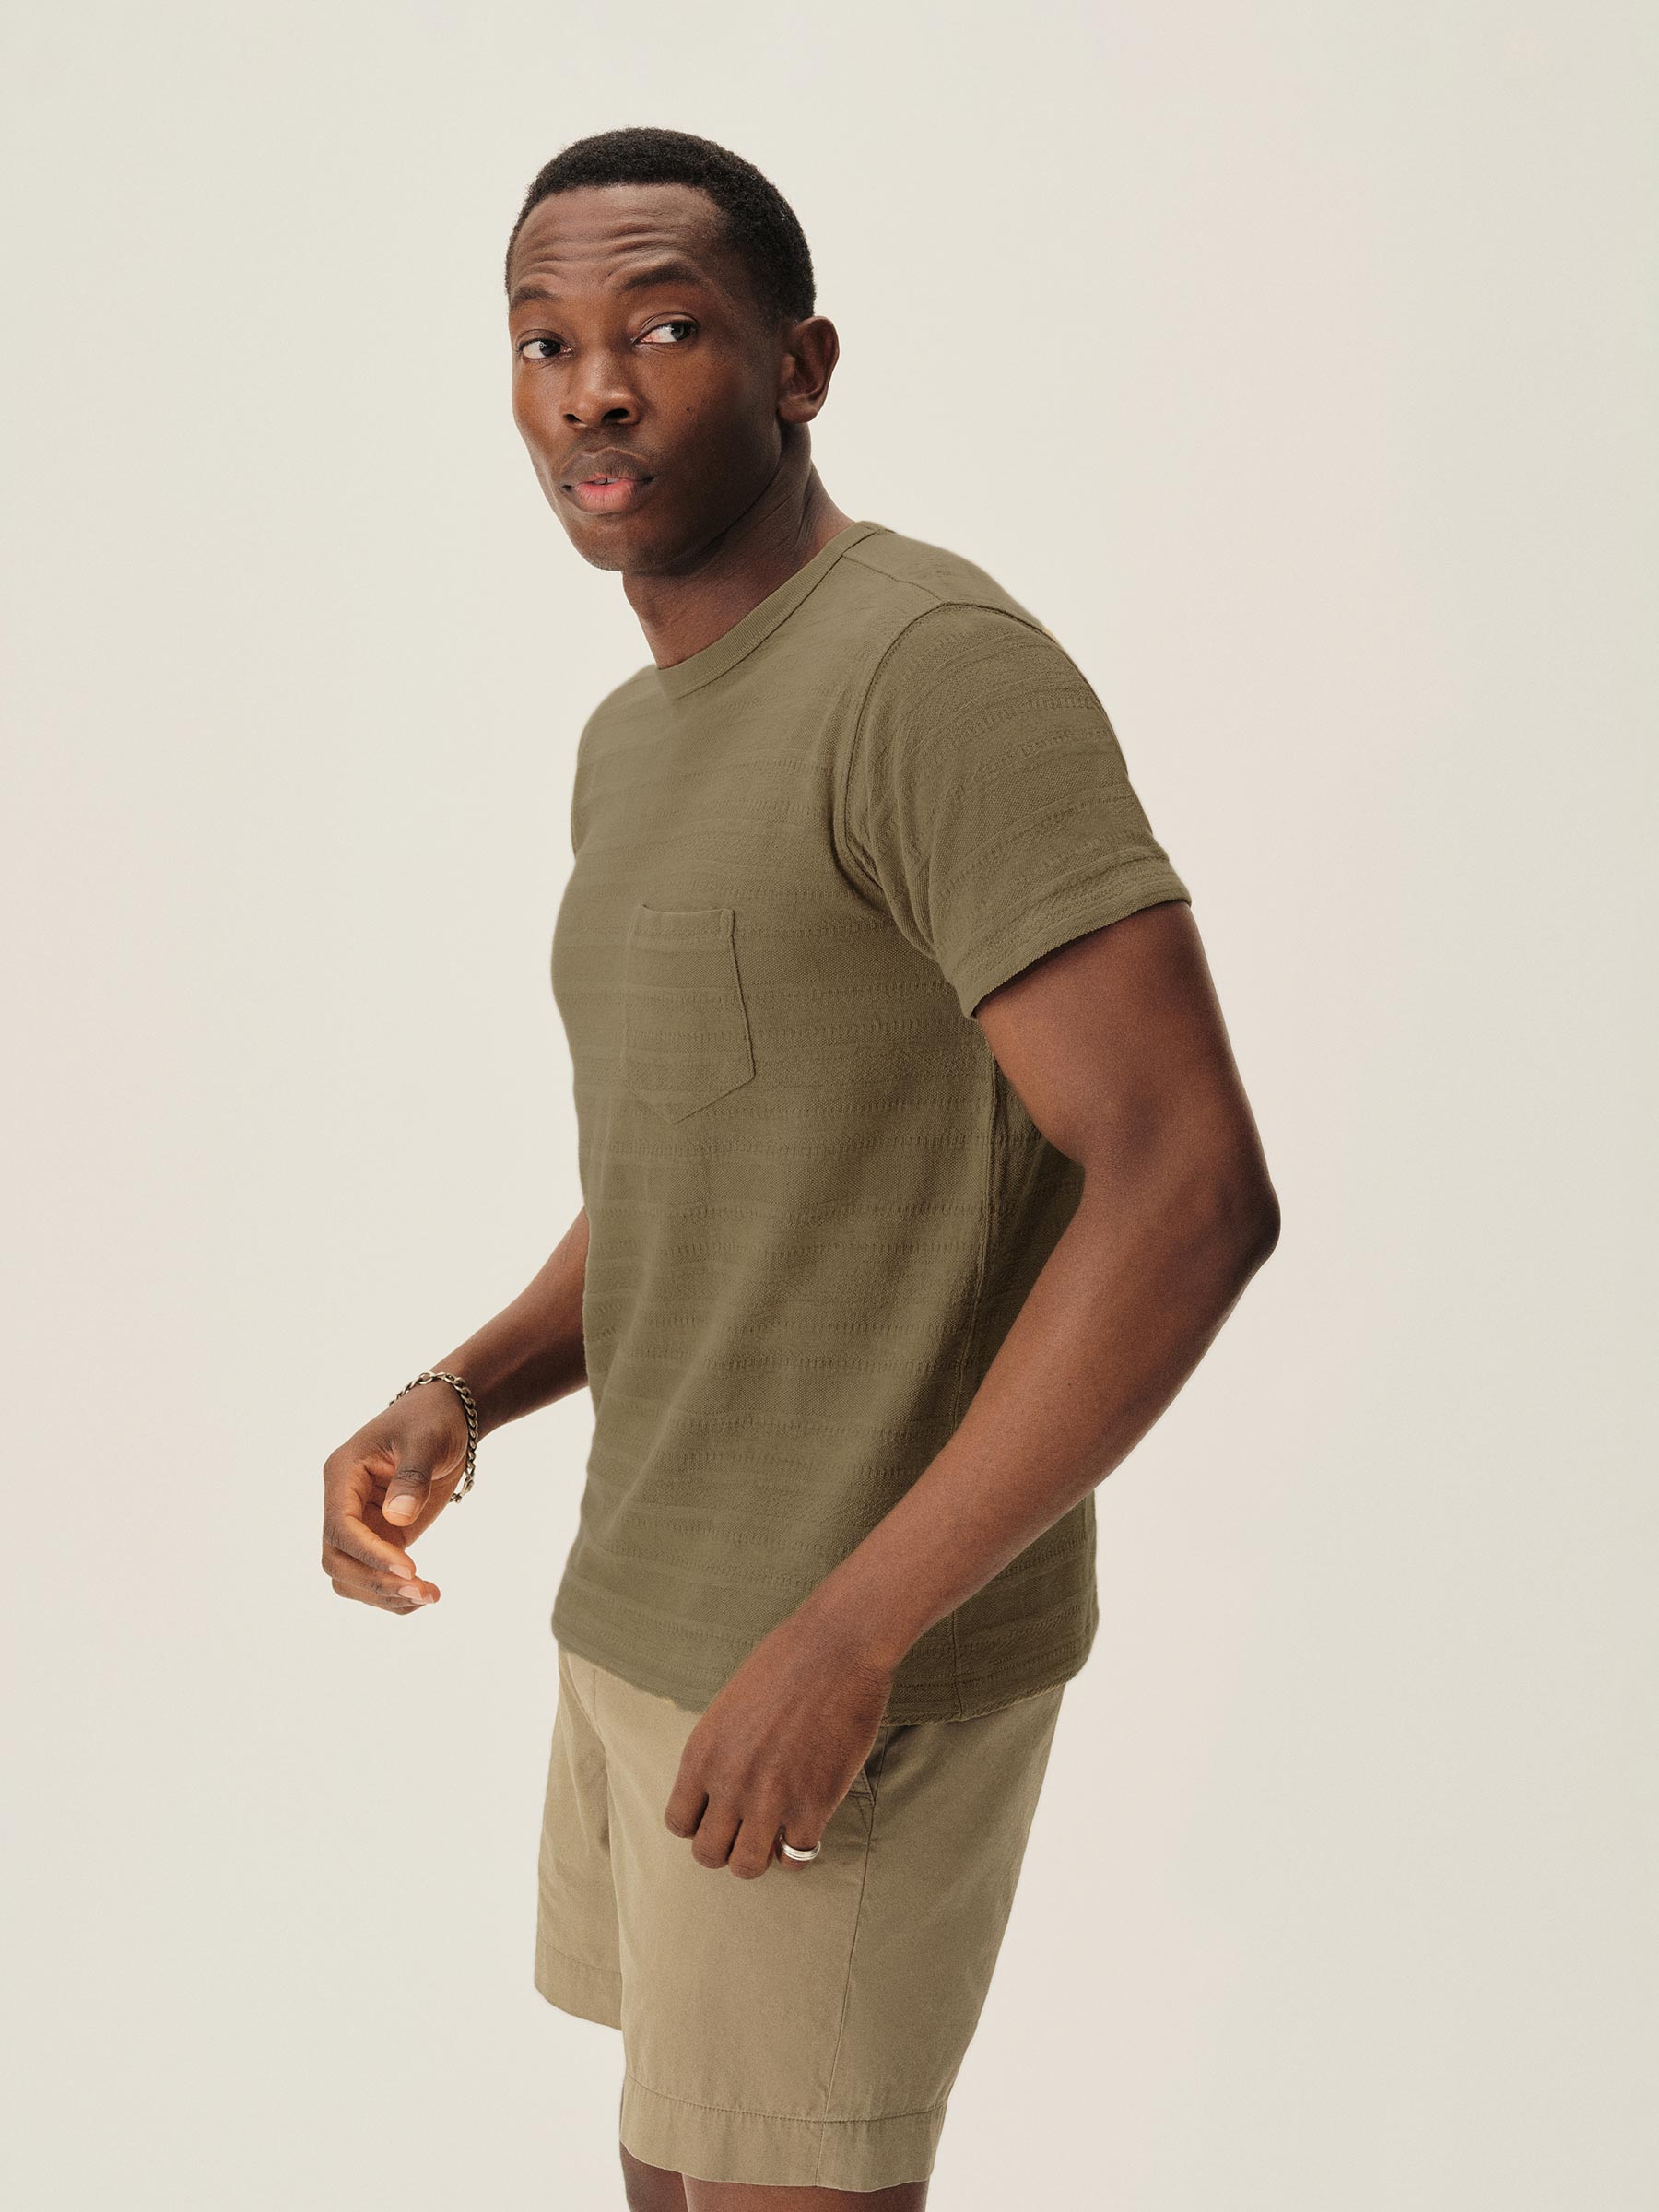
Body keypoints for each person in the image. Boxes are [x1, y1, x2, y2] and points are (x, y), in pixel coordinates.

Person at [320, 125, 1280, 2210]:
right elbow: (713, 1159)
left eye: (665, 330)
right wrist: (463, 1387)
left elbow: (1190, 1186)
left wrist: (851, 1641)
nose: (595, 391)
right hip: (645, 1621)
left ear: (800, 365)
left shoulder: (930, 671)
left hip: (843, 1669)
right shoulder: (636, 739)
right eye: (545, 342)